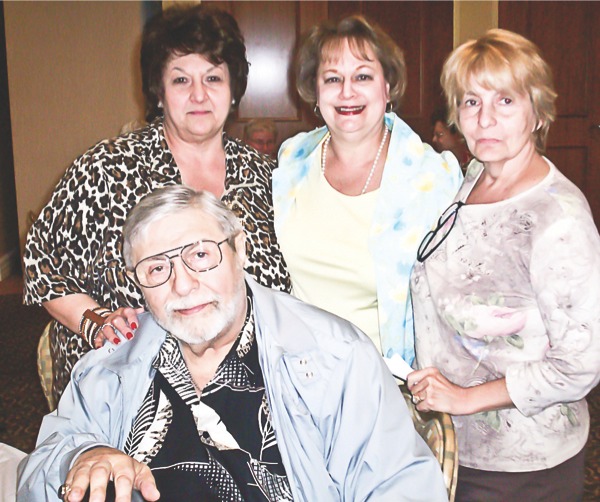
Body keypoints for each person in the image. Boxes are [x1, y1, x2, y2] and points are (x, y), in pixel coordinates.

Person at [17, 186, 448, 502]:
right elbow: (36, 471)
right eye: (156, 269)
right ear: (138, 284)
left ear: (239, 248)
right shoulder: (114, 361)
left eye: (201, 255)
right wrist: (83, 455)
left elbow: (402, 487)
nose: (183, 284)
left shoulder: (335, 356)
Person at [22, 4, 290, 403]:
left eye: (213, 78)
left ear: (233, 90)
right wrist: (95, 322)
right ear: (159, 92)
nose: (199, 94)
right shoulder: (107, 167)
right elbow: (41, 264)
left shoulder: (267, 176)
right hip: (127, 387)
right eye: (181, 79)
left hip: (247, 387)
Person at [408, 29, 600, 501]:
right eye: (471, 102)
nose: (485, 119)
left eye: (506, 101)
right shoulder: (475, 175)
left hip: (522, 465)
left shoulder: (557, 218)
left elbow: (580, 365)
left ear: (538, 111)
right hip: (457, 444)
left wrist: (464, 398)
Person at [273, 15, 463, 365]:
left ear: (387, 87)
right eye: (333, 78)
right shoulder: (292, 159)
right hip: (297, 374)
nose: (347, 91)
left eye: (362, 76)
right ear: (316, 90)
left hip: (390, 384)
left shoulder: (434, 177)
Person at [430, 107, 472, 173]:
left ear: (457, 134)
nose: (434, 139)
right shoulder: (437, 162)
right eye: (434, 135)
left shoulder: (473, 165)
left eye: (439, 135)